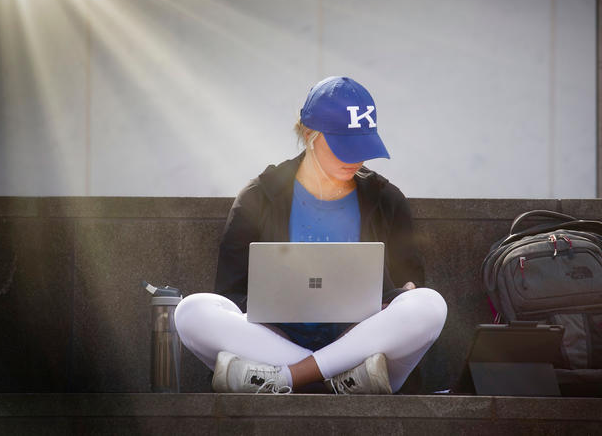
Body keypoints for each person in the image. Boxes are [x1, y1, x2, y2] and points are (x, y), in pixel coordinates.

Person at [174, 76, 447, 394]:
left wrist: (401, 296)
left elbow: (407, 293)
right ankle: (339, 378)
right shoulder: (259, 197)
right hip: (280, 345)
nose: (354, 159)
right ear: (309, 135)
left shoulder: (386, 199)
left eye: (362, 147)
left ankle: (287, 379)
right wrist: (273, 325)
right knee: (191, 312)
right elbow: (230, 295)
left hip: (360, 347)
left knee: (430, 305)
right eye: (343, 147)